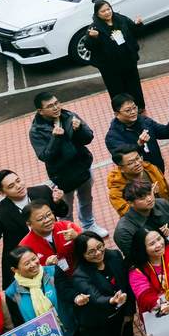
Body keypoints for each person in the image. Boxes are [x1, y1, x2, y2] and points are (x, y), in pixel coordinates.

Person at [0, 170, 71, 288]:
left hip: (53, 249)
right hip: (26, 260)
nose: (18, 186)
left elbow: (62, 212)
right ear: (2, 193)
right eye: (11, 186)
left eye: (18, 181)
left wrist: (58, 202)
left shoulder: (42, 191)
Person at [29, 92, 99, 233]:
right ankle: (69, 232)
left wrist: (79, 129)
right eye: (50, 106)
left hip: (83, 167)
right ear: (40, 111)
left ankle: (89, 225)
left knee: (86, 199)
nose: (56, 107)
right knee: (66, 209)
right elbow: (45, 156)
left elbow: (89, 137)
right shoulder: (36, 131)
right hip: (62, 176)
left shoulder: (69, 116)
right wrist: (55, 138)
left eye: (57, 103)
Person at [70, 231, 136, 336]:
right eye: (91, 252)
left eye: (100, 247)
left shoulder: (114, 256)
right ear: (82, 254)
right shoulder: (80, 275)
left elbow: (126, 284)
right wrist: (112, 300)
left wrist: (129, 312)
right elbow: (95, 297)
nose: (98, 253)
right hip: (101, 323)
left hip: (123, 314)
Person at [86, 0, 145, 111]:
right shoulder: (94, 28)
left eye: (108, 9)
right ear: (97, 14)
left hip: (128, 61)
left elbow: (135, 31)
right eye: (103, 11)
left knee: (134, 86)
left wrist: (138, 24)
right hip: (110, 68)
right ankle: (121, 111)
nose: (107, 12)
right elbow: (89, 46)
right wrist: (93, 38)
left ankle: (139, 107)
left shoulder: (121, 19)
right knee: (117, 90)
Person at [113, 179, 169, 258]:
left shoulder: (163, 204)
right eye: (142, 198)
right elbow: (136, 258)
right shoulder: (124, 231)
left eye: (149, 193)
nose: (149, 199)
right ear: (130, 203)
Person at [18, 199, 84, 274]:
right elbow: (27, 274)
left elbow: (89, 246)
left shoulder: (67, 226)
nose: (47, 220)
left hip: (79, 273)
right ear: (29, 224)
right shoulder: (25, 246)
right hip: (52, 279)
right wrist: (47, 267)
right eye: (40, 219)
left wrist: (77, 237)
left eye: (49, 214)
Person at [107, 147, 169, 217]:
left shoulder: (151, 169)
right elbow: (128, 214)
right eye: (131, 163)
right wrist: (151, 195)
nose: (137, 163)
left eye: (137, 158)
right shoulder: (116, 191)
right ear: (121, 168)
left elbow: (167, 191)